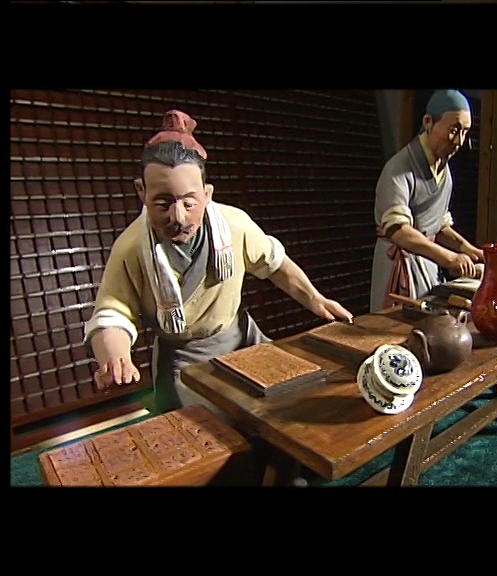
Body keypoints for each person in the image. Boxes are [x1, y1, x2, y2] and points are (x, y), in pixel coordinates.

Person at [84, 110, 353, 416]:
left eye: (189, 202)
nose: (178, 217)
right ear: (141, 191)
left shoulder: (235, 225)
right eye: (163, 203)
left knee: (288, 409)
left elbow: (274, 263)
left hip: (242, 339)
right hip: (184, 360)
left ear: (207, 193)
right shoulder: (131, 247)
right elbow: (112, 314)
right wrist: (115, 356)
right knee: (203, 431)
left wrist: (315, 298)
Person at [370, 89, 485, 312]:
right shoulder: (399, 168)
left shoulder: (445, 172)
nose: (459, 141)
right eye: (454, 130)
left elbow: (438, 225)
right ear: (428, 122)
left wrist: (474, 252)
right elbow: (398, 230)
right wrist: (449, 258)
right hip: (398, 266)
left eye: (465, 132)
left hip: (428, 264)